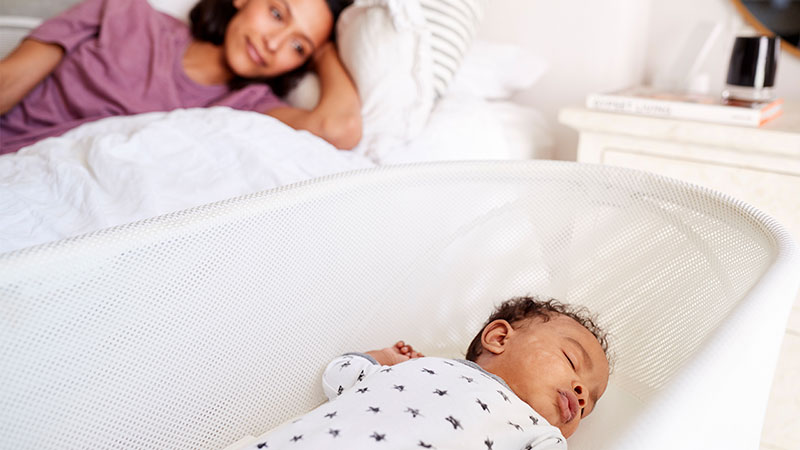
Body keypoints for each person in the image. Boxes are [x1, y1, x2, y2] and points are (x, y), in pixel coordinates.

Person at [0, 0, 361, 155]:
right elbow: (7, 80)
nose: (273, 43)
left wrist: (325, 52)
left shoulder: (246, 108)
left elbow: (338, 128)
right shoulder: (125, 13)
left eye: (297, 47)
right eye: (277, 14)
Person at [246, 297, 611, 449]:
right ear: (499, 338)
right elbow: (342, 375)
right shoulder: (423, 366)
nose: (581, 395)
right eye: (571, 360)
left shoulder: (539, 434)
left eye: (589, 404)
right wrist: (382, 359)